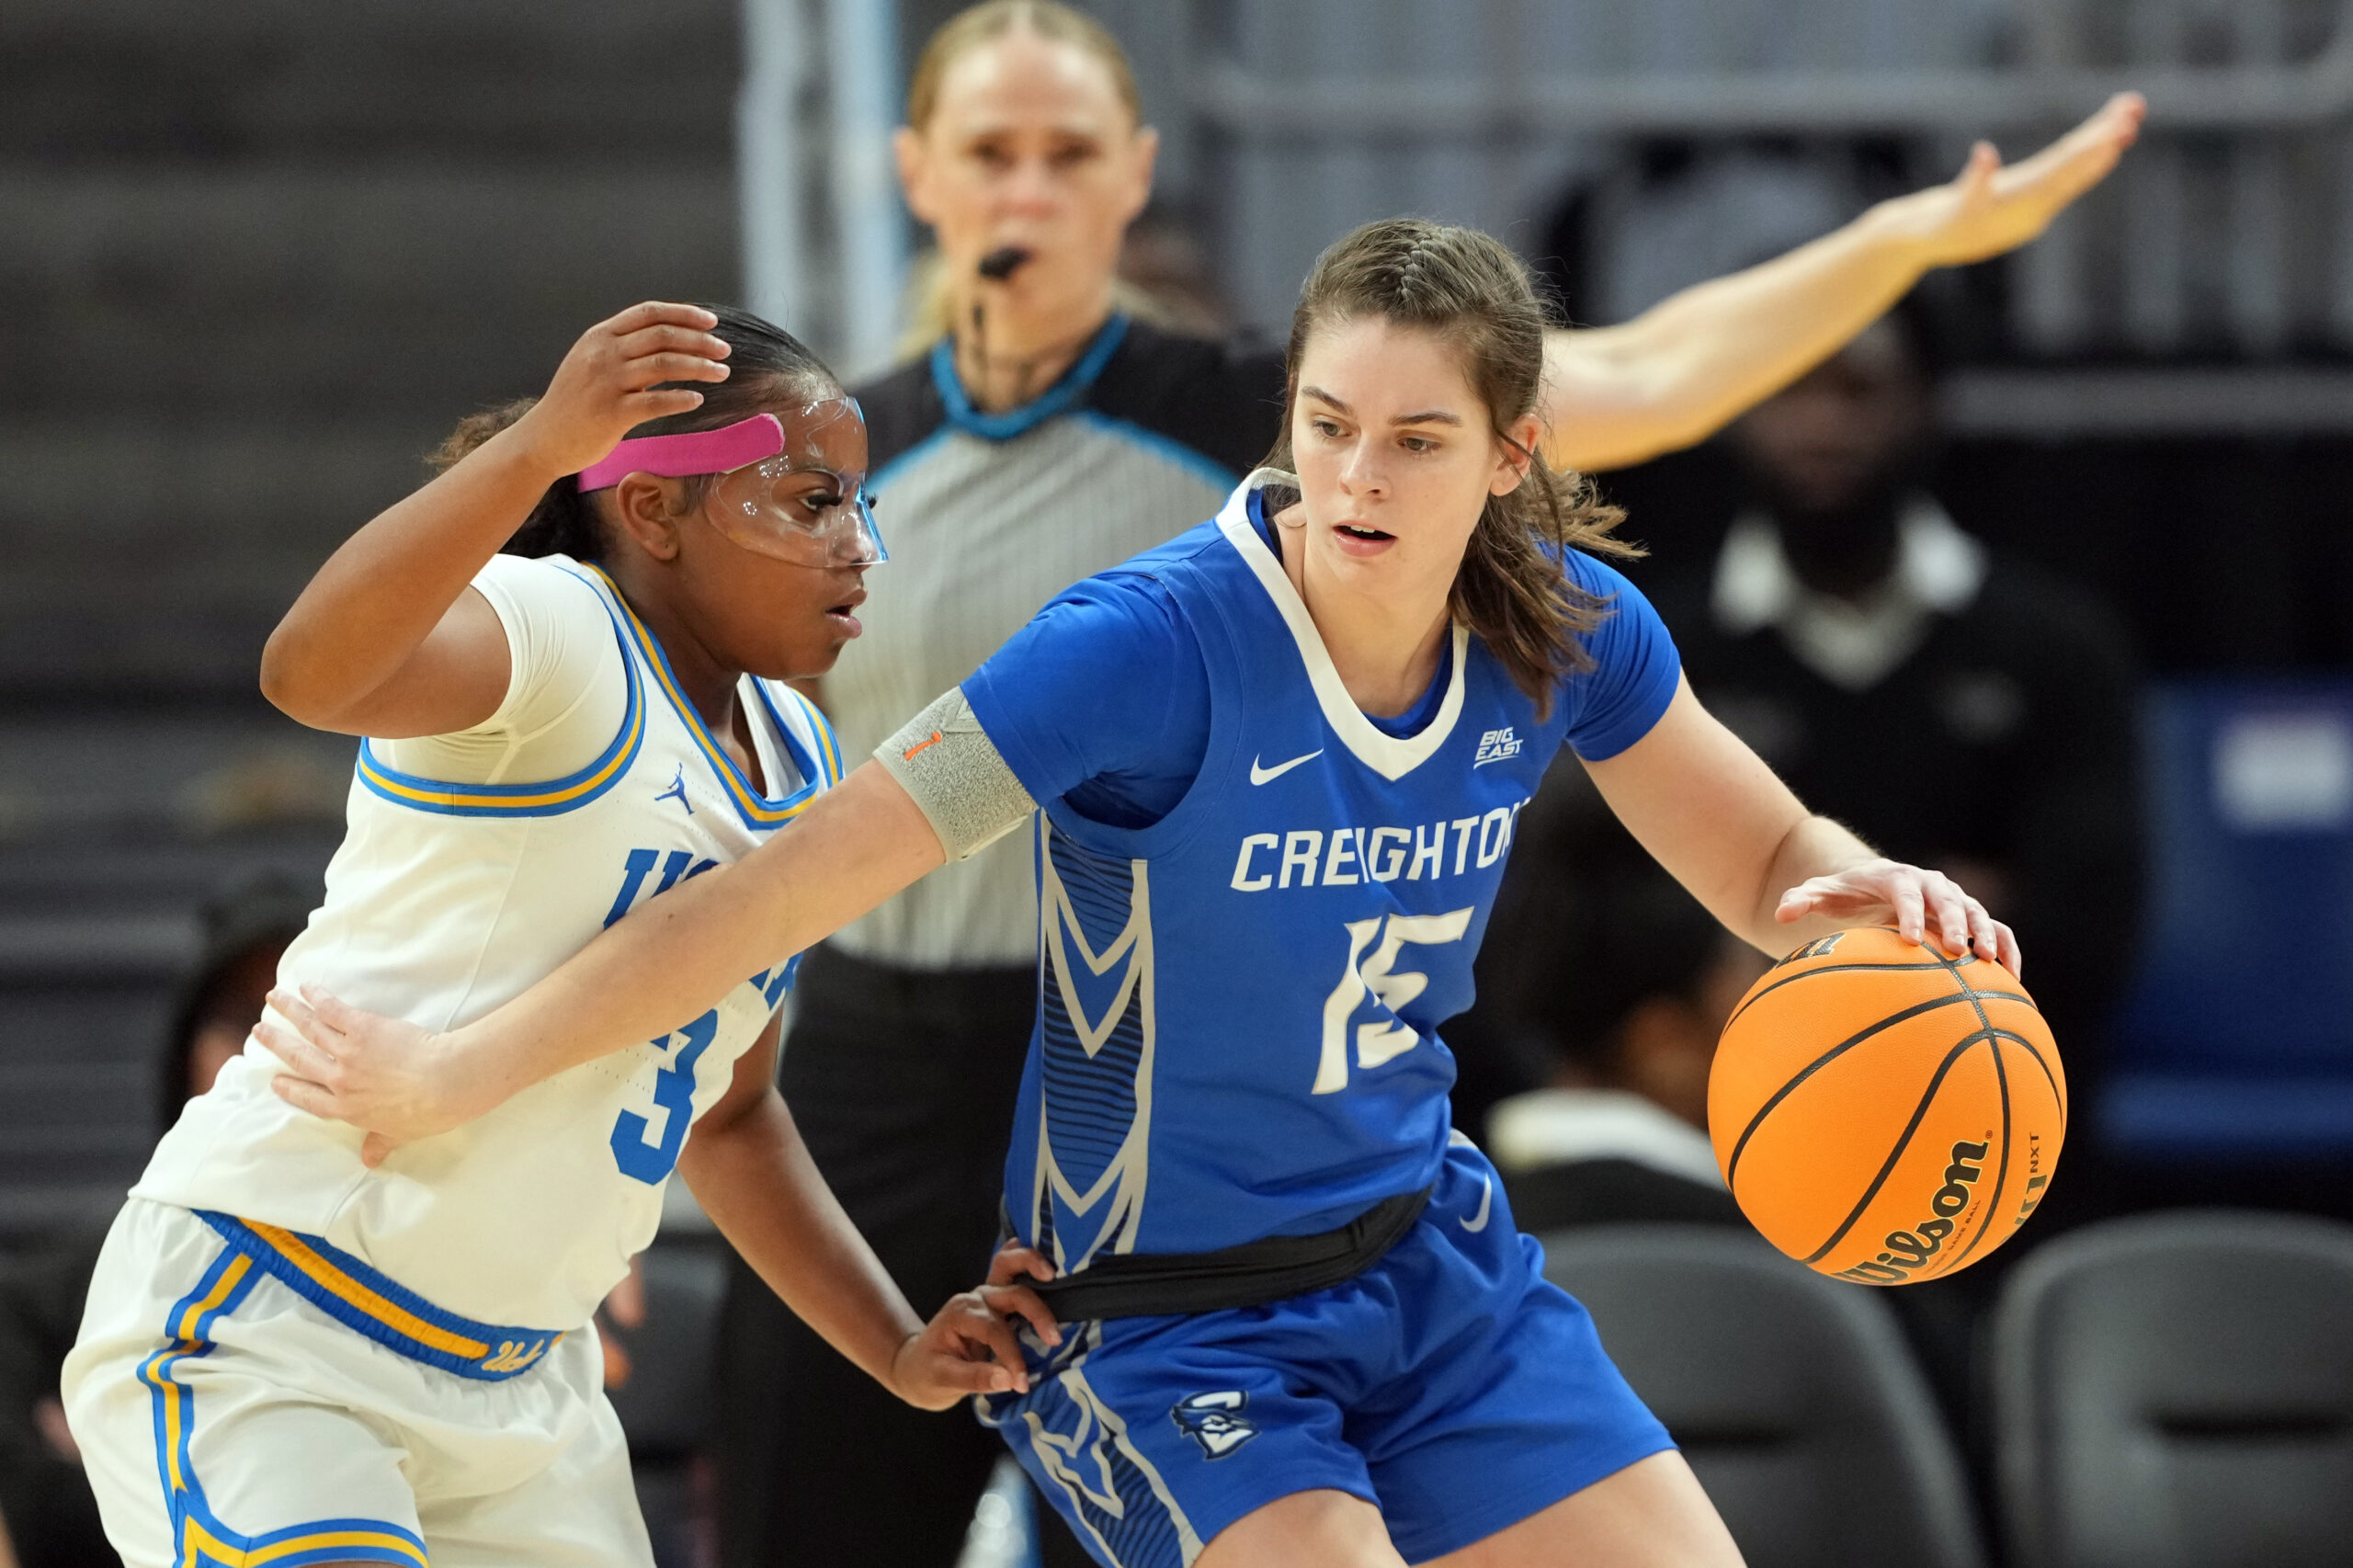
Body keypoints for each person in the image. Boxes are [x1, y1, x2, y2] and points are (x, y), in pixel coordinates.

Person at [262, 217, 2029, 1568]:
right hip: (1163, 1324)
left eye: (1417, 439)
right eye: (1328, 421)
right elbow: (787, 885)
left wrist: (1870, 895)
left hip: (1429, 1264)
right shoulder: (1134, 654)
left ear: (1510, 457)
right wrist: (453, 1069)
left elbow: (1767, 857)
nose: (1354, 474)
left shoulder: (1562, 625)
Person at [769, 1, 2143, 1557]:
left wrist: (1898, 237)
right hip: (891, 1049)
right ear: (915, 173)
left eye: (1066, 152)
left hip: (1209, 1035)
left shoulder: (1277, 402)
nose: (1027, 192)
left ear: (1134, 177)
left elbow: (1663, 367)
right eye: (990, 153)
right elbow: (763, 818)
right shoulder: (842, 451)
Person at [59, 301, 1049, 1568]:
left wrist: (895, 1343)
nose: (859, 545)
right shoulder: (561, 636)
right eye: (809, 502)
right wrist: (540, 444)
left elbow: (731, 1116)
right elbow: (309, 672)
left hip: (525, 1388)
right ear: (652, 514)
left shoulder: (801, 758)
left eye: (860, 504)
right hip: (281, 1320)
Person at [1644, 306, 2143, 1093]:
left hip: (1995, 1080)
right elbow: (1600, 906)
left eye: (1858, 389)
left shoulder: (2054, 647)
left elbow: (2090, 922)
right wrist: (1948, 910)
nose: (1822, 423)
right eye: (1790, 388)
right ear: (1735, 404)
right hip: (1723, 1091)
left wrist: (1789, 922)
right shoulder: (1657, 645)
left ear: (1924, 405)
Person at [0, 876, 312, 1568]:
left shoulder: (421, 1256)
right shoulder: (105, 1263)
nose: (264, 1053)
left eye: (295, 1021)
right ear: (182, 1057)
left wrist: (120, 1461)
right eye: (240, 1021)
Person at [1483, 844, 1765, 1234]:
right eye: (1754, 975)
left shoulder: (1461, 1228)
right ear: (1661, 1043)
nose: (1778, 1008)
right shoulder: (1764, 1241)